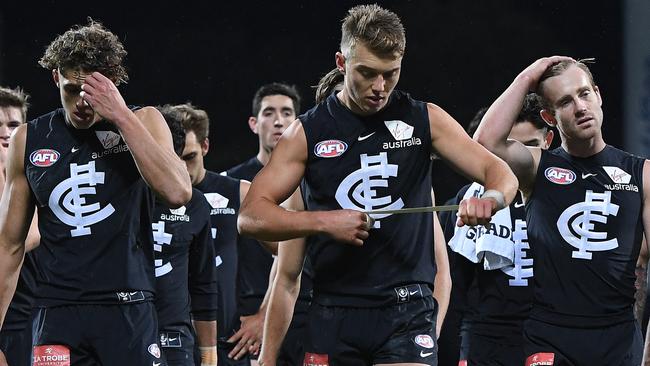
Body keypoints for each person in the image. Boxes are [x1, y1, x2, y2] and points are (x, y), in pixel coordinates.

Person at [239, 5, 518, 366]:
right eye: (367, 73)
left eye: (391, 73)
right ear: (341, 62)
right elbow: (250, 217)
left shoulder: (425, 120)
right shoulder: (306, 133)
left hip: (406, 310)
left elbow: (502, 174)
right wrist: (325, 222)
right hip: (333, 311)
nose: (380, 87)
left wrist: (491, 200)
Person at [0, 20, 192, 365]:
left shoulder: (143, 120)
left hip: (128, 307)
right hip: (56, 312)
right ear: (56, 76)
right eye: (73, 89)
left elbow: (178, 191)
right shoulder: (28, 139)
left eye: (93, 90)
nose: (83, 103)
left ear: (113, 84)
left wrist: (118, 113)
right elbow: (8, 245)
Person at [474, 56, 648, 365]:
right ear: (549, 117)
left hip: (618, 339)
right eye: (565, 102)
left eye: (584, 94)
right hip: (550, 335)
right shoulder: (536, 167)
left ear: (598, 95)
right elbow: (485, 143)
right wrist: (527, 76)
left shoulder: (642, 174)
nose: (580, 107)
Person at [444, 94, 553, 366]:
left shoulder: (567, 200)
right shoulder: (466, 203)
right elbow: (452, 290)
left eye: (531, 147)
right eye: (508, 152)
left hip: (548, 335)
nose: (519, 161)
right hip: (484, 341)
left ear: (548, 142)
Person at [224, 82, 305, 364]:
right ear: (254, 123)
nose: (279, 121)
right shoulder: (230, 184)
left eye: (287, 113)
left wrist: (266, 318)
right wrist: (254, 318)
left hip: (302, 312)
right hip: (243, 323)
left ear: (298, 122)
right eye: (269, 113)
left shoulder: (315, 182)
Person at [171, 103, 251, 366]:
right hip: (169, 340)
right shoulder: (146, 198)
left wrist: (264, 316)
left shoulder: (239, 192)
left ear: (205, 146)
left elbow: (289, 256)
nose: (182, 168)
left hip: (229, 345)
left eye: (190, 157)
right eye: (175, 157)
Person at [154, 105, 219, 366]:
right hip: (120, 330)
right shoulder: (116, 198)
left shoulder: (196, 204)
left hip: (174, 338)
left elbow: (203, 282)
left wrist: (209, 353)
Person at [0, 86, 40, 366]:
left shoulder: (35, 171)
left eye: (13, 124)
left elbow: (31, 235)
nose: (5, 132)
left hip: (24, 311)